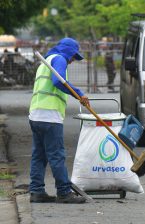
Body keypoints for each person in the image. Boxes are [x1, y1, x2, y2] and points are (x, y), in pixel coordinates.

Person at [28, 37, 89, 203]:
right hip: (49, 116)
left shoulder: (46, 61)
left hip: (35, 114)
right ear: (68, 52)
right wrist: (79, 93)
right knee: (56, 155)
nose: (72, 61)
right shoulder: (60, 59)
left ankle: (36, 191)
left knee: (39, 155)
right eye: (73, 57)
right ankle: (64, 192)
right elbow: (58, 81)